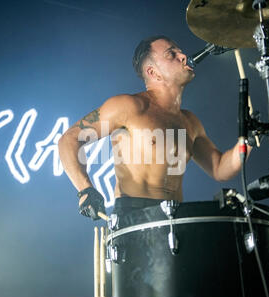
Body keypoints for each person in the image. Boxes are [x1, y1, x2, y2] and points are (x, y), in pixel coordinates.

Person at [58, 35, 252, 220]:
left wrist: (247, 140)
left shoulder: (190, 121)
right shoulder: (129, 106)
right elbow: (69, 139)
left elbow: (219, 169)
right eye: (172, 54)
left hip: (176, 217)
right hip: (133, 217)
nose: (183, 56)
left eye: (180, 52)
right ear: (152, 72)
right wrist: (85, 189)